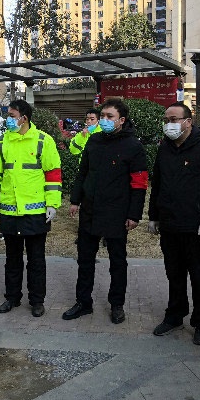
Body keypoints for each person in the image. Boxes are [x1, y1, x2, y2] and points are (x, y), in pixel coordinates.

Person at [147, 102, 200, 345]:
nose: (169, 124)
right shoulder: (164, 148)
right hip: (169, 224)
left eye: (174, 119)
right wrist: (153, 215)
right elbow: (157, 184)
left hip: (196, 228)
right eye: (166, 120)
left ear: (188, 122)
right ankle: (175, 315)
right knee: (174, 274)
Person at [65, 98, 148, 324]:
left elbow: (139, 184)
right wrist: (75, 200)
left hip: (116, 212)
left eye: (109, 116)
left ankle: (117, 305)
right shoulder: (94, 141)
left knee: (117, 262)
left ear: (122, 120)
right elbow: (83, 173)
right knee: (85, 259)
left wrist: (134, 214)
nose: (104, 120)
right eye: (102, 116)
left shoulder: (133, 146)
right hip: (90, 210)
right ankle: (83, 302)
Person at [0, 100, 62, 318]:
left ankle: (37, 301)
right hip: (9, 211)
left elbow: (53, 174)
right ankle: (12, 297)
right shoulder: (1, 142)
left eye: (12, 115)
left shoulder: (43, 140)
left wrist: (52, 203)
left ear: (24, 118)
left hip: (35, 212)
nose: (8, 119)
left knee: (36, 260)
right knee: (12, 259)